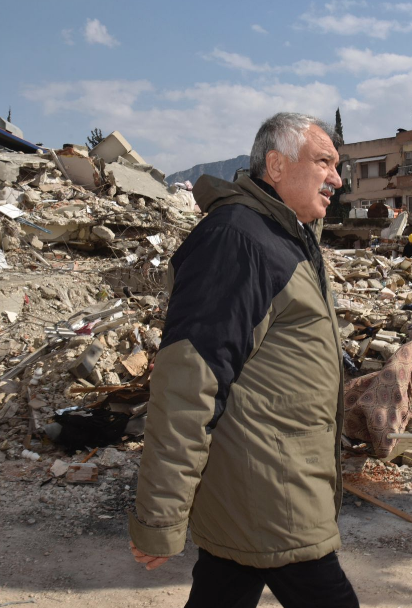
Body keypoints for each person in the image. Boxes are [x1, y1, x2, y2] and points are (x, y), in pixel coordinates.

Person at [128, 112, 358, 608]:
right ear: (276, 165)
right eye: (324, 162)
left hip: (257, 483)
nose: (337, 178)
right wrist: (159, 518)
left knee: (224, 588)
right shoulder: (239, 241)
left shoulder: (283, 237)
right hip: (274, 491)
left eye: (337, 166)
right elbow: (188, 383)